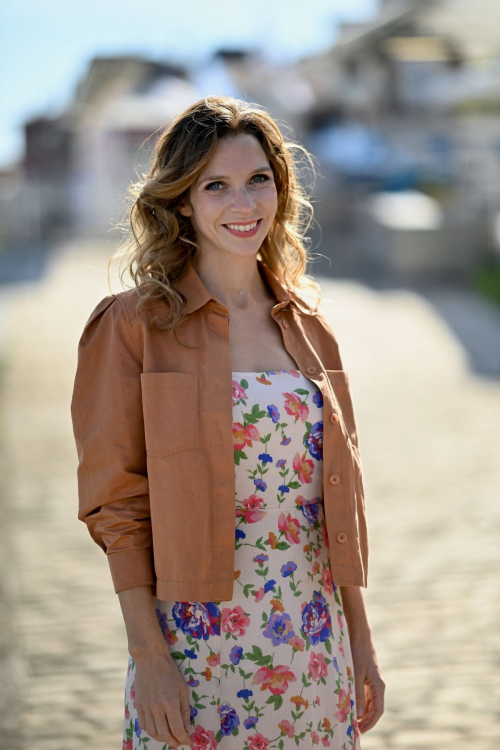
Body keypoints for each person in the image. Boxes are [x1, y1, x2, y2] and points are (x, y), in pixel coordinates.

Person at [70, 95, 385, 750]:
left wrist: (360, 636)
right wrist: (150, 659)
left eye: (257, 181)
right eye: (216, 186)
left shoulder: (310, 328)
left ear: (280, 187)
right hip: (197, 648)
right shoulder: (132, 326)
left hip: (313, 639)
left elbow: (337, 503)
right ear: (182, 199)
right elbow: (116, 506)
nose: (243, 206)